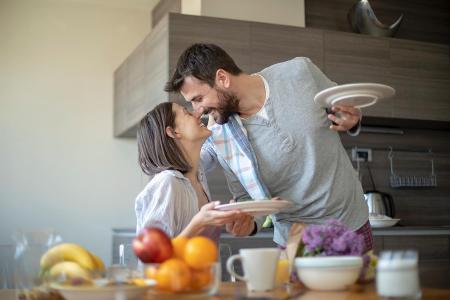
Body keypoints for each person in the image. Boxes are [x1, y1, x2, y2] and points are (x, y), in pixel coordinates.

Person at [164, 43, 372, 252]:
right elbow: (247, 199)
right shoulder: (221, 135)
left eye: (198, 99)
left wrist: (352, 119)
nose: (197, 111)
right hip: (294, 241)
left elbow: (343, 106)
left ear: (222, 79)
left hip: (351, 223)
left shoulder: (299, 72)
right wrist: (248, 224)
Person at [135, 101, 241, 242]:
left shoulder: (197, 172)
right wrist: (198, 223)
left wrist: (213, 106)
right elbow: (152, 257)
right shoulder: (167, 184)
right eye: (187, 113)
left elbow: (211, 149)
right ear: (173, 132)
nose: (197, 113)